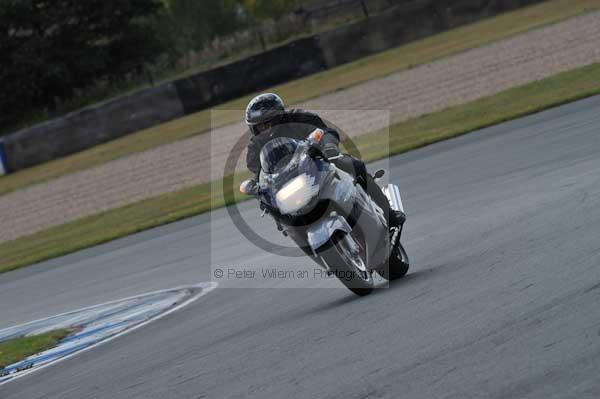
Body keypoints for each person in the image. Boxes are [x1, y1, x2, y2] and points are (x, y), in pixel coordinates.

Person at [241, 93, 405, 228]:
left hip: (318, 163)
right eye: (260, 126)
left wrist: (329, 148)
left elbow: (326, 132)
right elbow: (260, 173)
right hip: (292, 183)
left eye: (269, 123)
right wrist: (261, 192)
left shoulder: (301, 118)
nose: (265, 129)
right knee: (279, 216)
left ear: (280, 116)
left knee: (352, 165)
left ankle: (389, 214)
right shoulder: (255, 149)